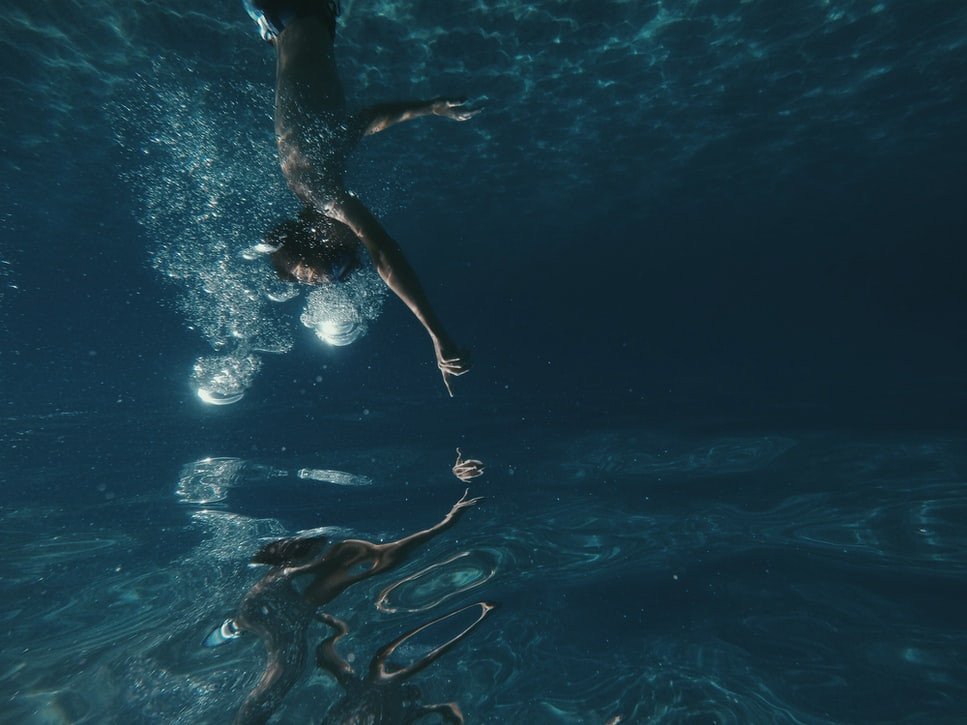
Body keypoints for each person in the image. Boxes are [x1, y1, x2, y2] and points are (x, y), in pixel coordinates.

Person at [243, 0, 481, 395]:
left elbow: (383, 251)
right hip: (283, 20)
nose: (355, 259)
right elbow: (359, 123)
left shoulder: (321, 192)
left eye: (341, 265)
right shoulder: (311, 175)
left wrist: (436, 334)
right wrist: (428, 108)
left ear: (319, 239)